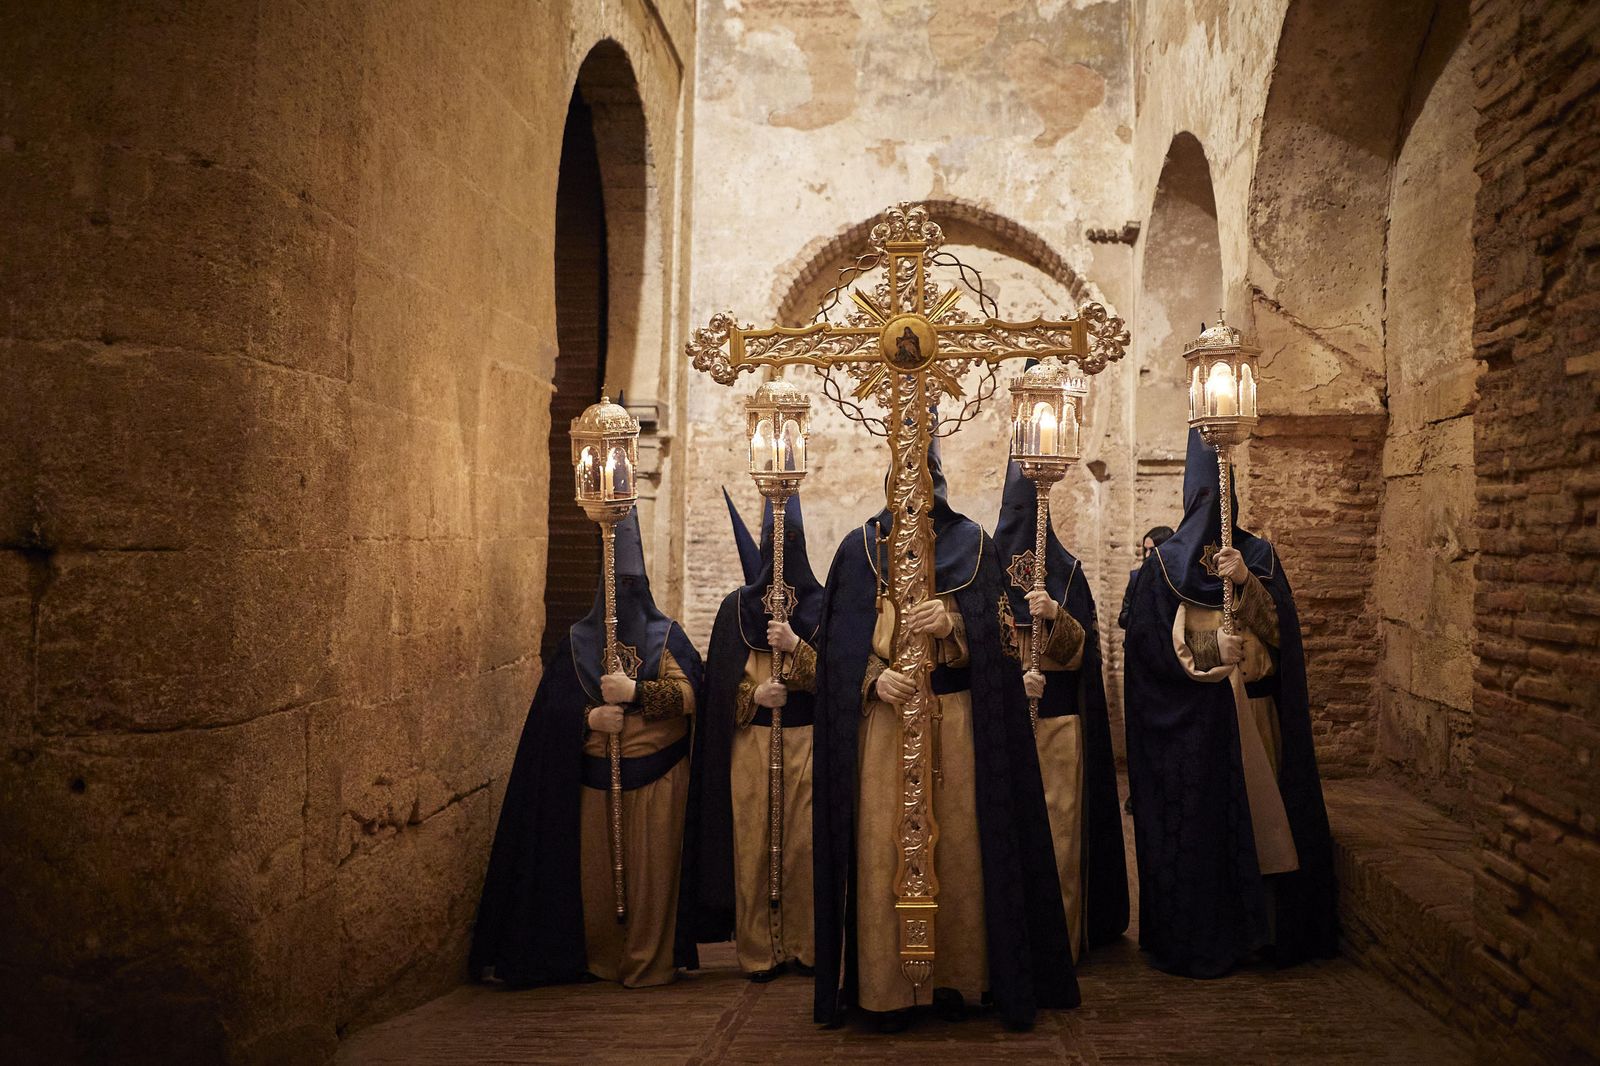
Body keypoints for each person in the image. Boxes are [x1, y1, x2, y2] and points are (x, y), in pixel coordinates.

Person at [812, 435, 1077, 1032]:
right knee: (883, 852)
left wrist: (955, 625)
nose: (913, 492)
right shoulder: (859, 551)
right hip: (882, 732)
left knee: (961, 847)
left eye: (923, 479)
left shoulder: (975, 548)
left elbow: (1005, 640)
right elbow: (834, 652)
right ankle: (885, 986)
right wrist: (873, 679)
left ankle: (960, 977)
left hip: (959, 729)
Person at [1122, 429, 1337, 979]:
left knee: (1264, 828)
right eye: (1207, 497)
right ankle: (1209, 930)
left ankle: (1263, 931)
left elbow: (1282, 633)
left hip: (1257, 717)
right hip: (1198, 726)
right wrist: (1206, 648)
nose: (1217, 507)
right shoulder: (1163, 567)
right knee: (1208, 832)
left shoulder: (1259, 555)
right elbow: (1146, 649)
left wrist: (1246, 583)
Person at [470, 509, 702, 988]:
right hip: (593, 787)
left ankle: (649, 961)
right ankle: (600, 959)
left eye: (635, 584)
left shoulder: (667, 637)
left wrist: (637, 694)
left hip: (657, 780)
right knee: (594, 884)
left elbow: (693, 695)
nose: (628, 592)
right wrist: (588, 719)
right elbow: (549, 717)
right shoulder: (577, 642)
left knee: (652, 884)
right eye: (620, 583)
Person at [680, 491, 823, 981]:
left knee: (804, 845)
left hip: (807, 741)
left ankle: (806, 946)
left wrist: (797, 648)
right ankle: (760, 949)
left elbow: (842, 678)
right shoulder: (735, 610)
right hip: (751, 742)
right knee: (753, 844)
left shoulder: (824, 606)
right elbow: (717, 687)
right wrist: (754, 695)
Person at [992, 460, 1129, 961]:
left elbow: (1084, 655)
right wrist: (1014, 678)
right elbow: (976, 652)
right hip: (1006, 727)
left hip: (1060, 728)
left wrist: (1054, 617)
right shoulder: (982, 571)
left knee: (1059, 836)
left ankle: (1059, 944)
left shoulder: (1066, 572)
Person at [1117, 525, 1174, 630]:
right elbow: (1123, 619)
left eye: (1152, 550)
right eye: (1145, 550)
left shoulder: (1176, 580)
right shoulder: (1136, 577)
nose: (1147, 555)